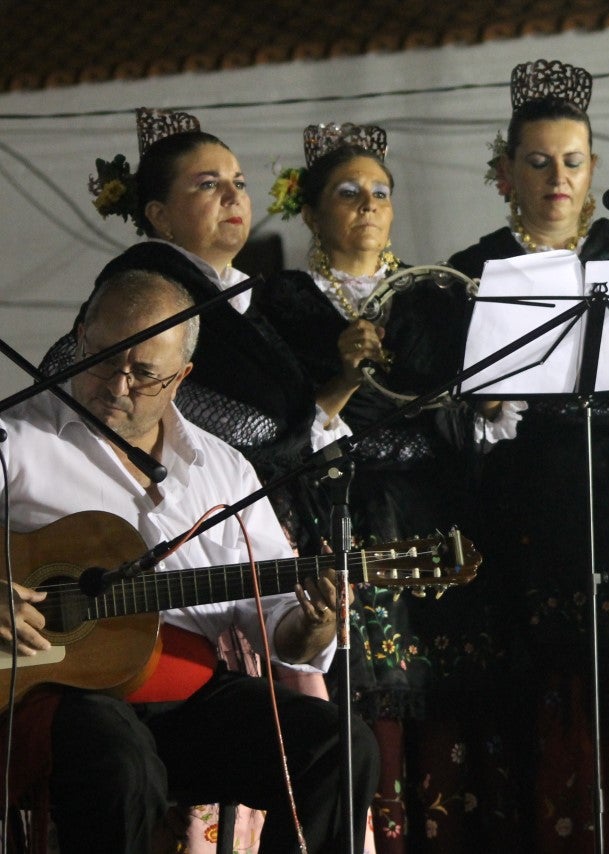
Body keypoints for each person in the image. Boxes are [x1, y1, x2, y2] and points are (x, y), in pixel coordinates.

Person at [0, 270, 378, 853]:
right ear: (78, 338)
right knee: (121, 761)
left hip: (190, 699)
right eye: (102, 358)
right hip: (60, 697)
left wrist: (313, 623)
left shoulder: (223, 468)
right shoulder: (16, 440)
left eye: (144, 373)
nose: (117, 384)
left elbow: (279, 623)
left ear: (181, 376)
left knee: (340, 746)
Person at [448, 58, 609, 852]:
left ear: (593, 169)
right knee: (537, 710)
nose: (557, 178)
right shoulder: (470, 272)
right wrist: (483, 408)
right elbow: (444, 421)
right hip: (524, 513)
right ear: (505, 173)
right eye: (538, 162)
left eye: (572, 161)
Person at [258, 122, 518, 852]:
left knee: (451, 698)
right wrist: (343, 374)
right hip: (344, 512)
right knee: (369, 694)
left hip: (437, 511)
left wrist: (490, 405)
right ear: (312, 213)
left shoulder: (436, 296)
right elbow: (283, 432)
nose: (368, 204)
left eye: (380, 191)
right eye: (348, 192)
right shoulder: (283, 304)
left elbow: (468, 416)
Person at [43, 107, 340, 555]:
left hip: (264, 514)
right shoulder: (146, 283)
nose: (232, 196)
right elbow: (71, 371)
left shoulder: (250, 296)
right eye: (208, 185)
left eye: (239, 183)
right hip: (172, 507)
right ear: (160, 216)